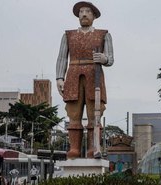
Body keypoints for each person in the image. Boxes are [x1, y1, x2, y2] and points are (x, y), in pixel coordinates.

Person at [56, 1, 114, 159]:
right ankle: (74, 148)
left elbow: (110, 59)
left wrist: (103, 58)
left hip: (94, 76)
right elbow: (62, 58)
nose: (84, 14)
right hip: (73, 75)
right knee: (73, 114)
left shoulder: (103, 34)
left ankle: (93, 148)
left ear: (94, 16)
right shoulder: (68, 35)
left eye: (87, 11)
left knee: (94, 114)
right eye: (81, 11)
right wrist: (59, 77)